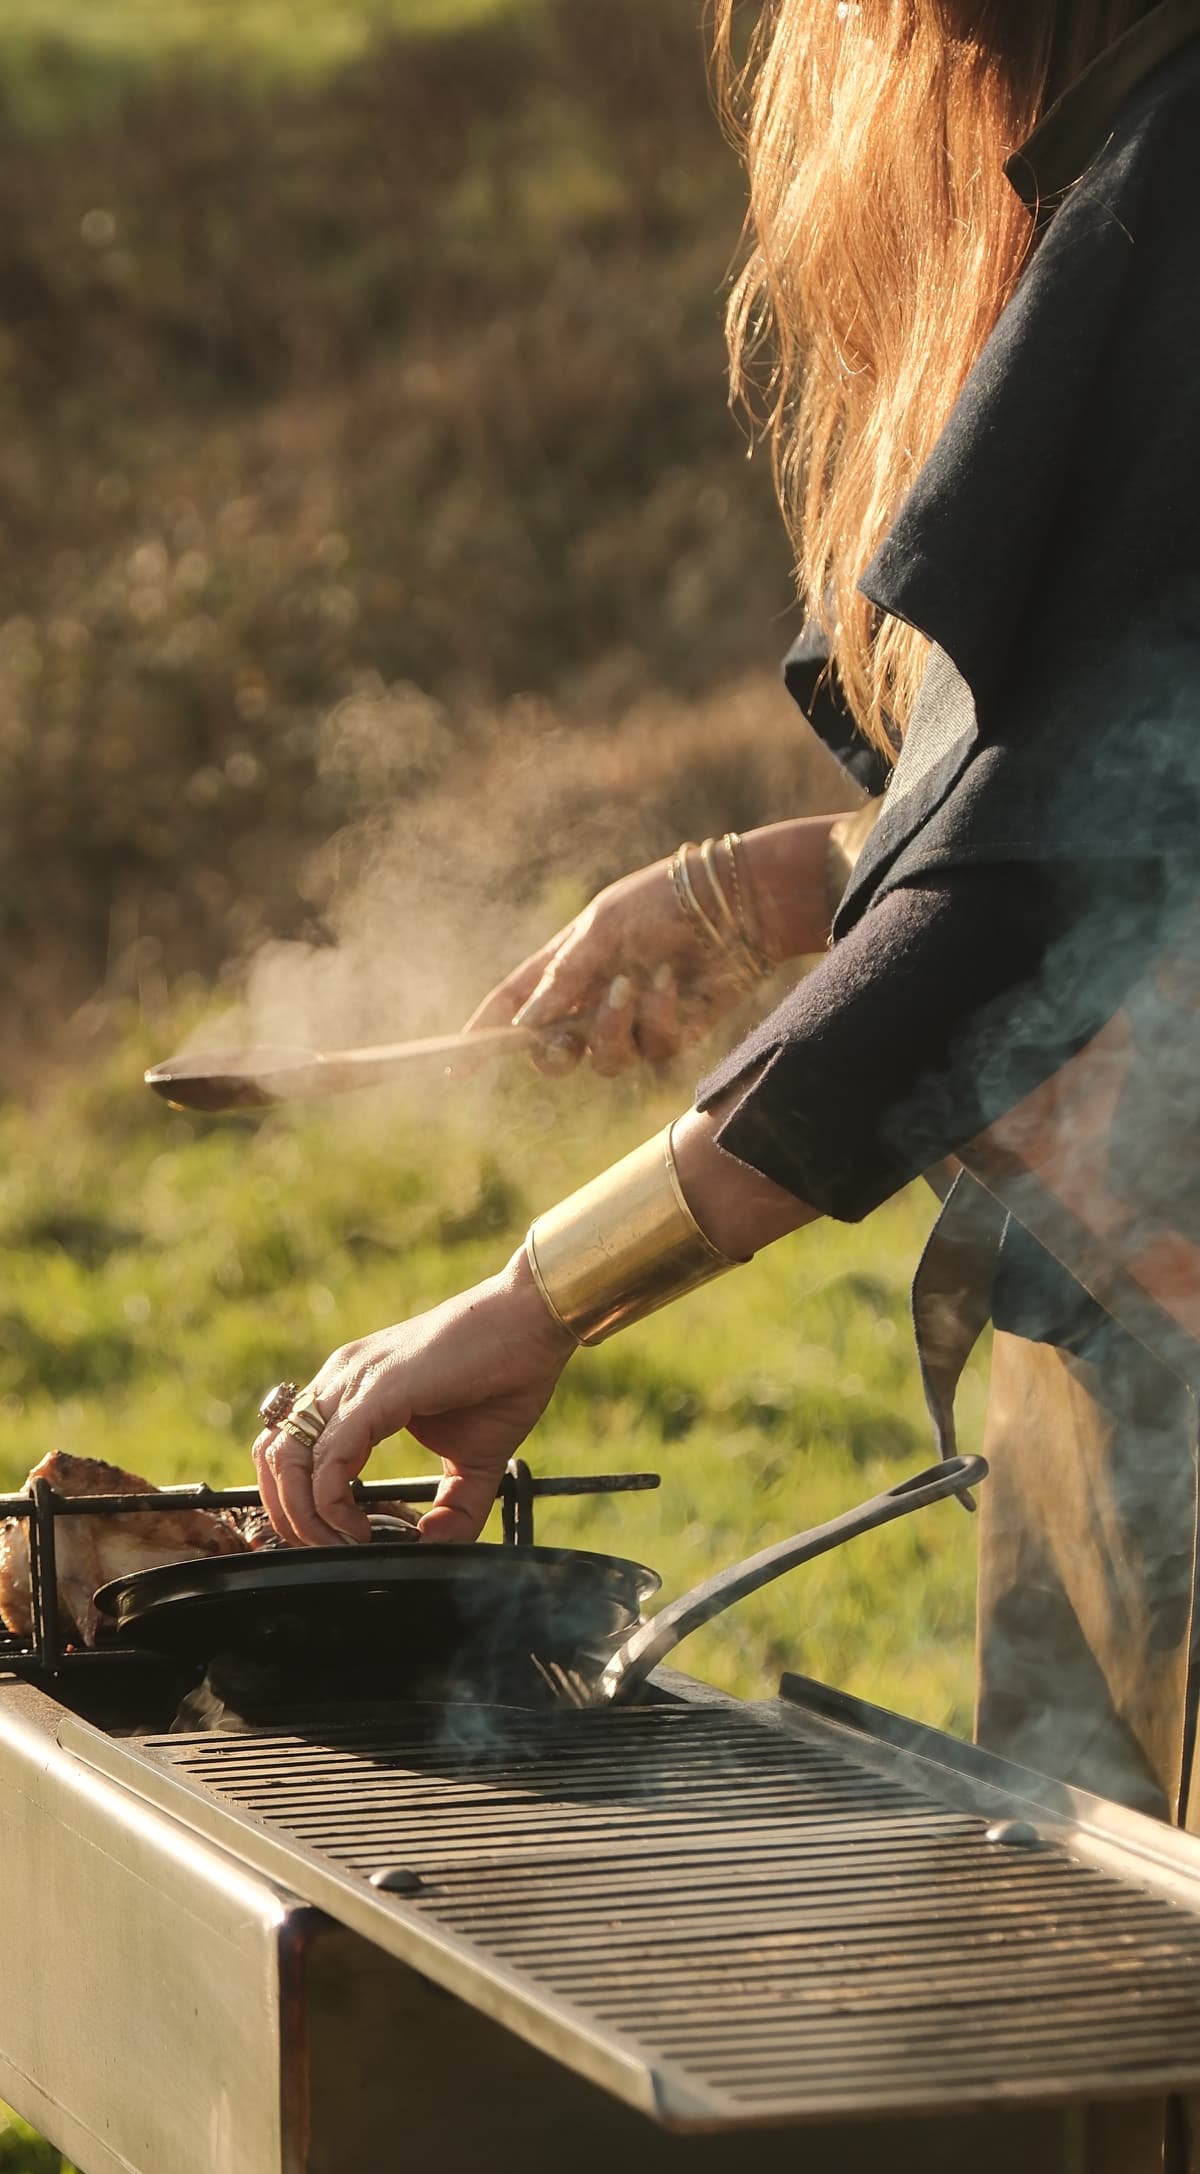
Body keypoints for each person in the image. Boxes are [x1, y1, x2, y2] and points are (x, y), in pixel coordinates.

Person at [255, 0, 1200, 1896]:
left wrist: (546, 1293)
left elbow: (1037, 880)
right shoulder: (1124, 143)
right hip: (1124, 1352)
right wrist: (755, 893)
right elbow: (1110, 799)